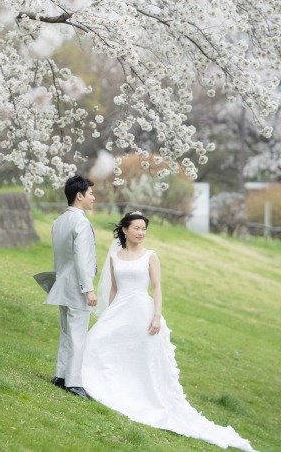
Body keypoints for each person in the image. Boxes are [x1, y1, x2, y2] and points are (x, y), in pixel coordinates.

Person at [81, 212, 256, 451]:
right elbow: (113, 289)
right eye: (137, 228)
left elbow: (157, 288)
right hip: (120, 310)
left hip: (143, 311)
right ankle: (94, 382)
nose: (141, 233)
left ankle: (137, 395)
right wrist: (110, 314)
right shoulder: (114, 257)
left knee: (141, 358)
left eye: (144, 229)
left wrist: (156, 316)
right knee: (96, 343)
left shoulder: (150, 256)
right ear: (124, 230)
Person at [45, 175, 97, 398]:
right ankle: (74, 382)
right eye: (91, 193)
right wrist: (89, 289)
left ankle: (60, 375)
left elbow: (60, 258)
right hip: (77, 287)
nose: (93, 197)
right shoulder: (81, 222)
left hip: (62, 284)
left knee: (66, 333)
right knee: (77, 335)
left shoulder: (59, 222)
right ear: (80, 195)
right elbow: (81, 259)